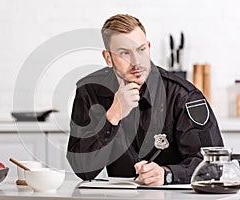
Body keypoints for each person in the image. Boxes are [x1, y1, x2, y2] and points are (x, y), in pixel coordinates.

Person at [66, 14, 223, 186]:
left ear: (148, 47)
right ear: (108, 58)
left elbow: (214, 165)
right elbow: (83, 169)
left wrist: (167, 174)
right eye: (125, 53)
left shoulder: (183, 95)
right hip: (118, 197)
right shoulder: (89, 91)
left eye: (140, 50)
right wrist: (113, 116)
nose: (136, 62)